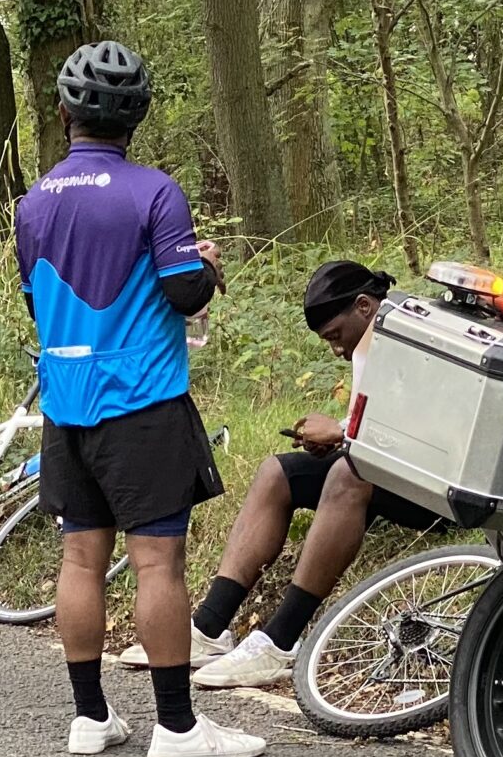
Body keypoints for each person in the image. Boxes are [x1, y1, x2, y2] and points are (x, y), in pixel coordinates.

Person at [15, 40, 266, 757]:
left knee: (81, 560)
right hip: (144, 401)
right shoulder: (155, 191)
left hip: (67, 404)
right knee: (158, 563)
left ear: (64, 114)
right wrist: (210, 267)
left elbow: (37, 300)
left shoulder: (32, 204)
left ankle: (90, 717)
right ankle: (179, 729)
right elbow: (182, 290)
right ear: (137, 118)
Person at [117, 260, 447, 690]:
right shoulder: (372, 335)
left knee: (349, 475)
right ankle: (209, 627)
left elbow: (427, 436)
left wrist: (343, 434)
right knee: (278, 473)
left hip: (437, 486)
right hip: (382, 462)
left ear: (365, 306)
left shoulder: (415, 339)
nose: (335, 350)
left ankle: (280, 642)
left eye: (335, 336)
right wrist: (337, 435)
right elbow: (376, 425)